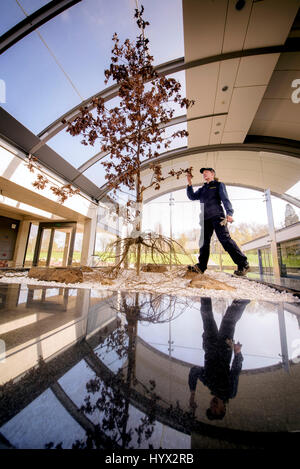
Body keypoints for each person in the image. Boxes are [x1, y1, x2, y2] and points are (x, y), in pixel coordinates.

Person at [188, 297, 250, 420]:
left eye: (211, 408)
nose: (213, 406)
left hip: (210, 344)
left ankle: (204, 290)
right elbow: (235, 372)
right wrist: (237, 353)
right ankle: (243, 298)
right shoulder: (230, 393)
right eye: (216, 410)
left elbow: (194, 371)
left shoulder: (208, 382)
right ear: (223, 408)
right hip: (224, 346)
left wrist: (192, 392)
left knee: (206, 316)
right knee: (229, 320)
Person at [186, 167, 249, 276]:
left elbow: (225, 199)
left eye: (206, 172)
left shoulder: (219, 185)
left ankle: (243, 264)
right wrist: (189, 183)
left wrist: (229, 213)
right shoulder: (202, 189)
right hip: (205, 219)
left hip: (217, 216)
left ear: (212, 174)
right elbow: (192, 196)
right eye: (203, 173)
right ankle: (201, 267)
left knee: (225, 240)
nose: (204, 174)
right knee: (204, 243)